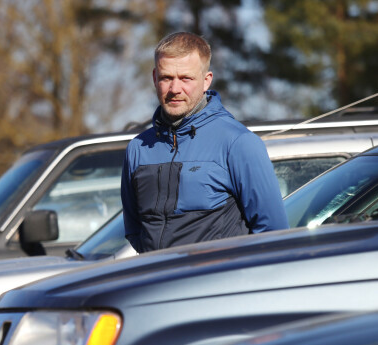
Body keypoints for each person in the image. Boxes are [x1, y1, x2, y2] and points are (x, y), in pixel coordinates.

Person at [121, 31, 288, 253]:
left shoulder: (239, 143)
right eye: (166, 78)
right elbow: (134, 230)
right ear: (154, 78)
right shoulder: (137, 149)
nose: (175, 89)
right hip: (158, 285)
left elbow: (273, 234)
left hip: (220, 285)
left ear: (206, 80)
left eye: (186, 78)